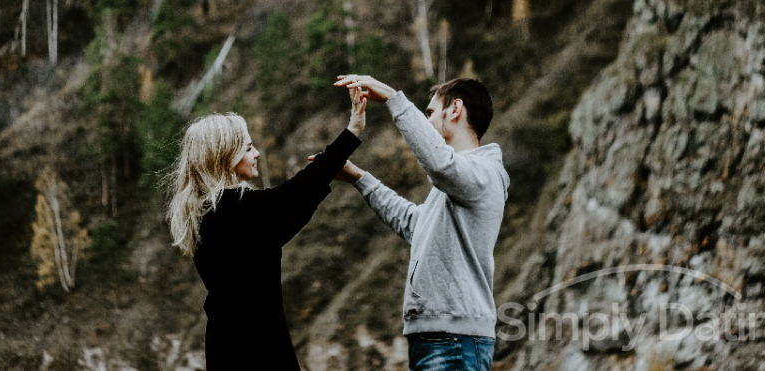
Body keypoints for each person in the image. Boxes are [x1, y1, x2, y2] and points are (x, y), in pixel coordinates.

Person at [166, 87, 366, 371]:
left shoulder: (214, 212)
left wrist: (324, 178)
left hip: (239, 345)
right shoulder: (229, 207)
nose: (256, 152)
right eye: (248, 148)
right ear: (225, 157)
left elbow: (277, 233)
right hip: (251, 349)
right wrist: (352, 132)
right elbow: (290, 195)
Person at [331, 74, 509, 371]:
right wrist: (359, 178)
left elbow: (439, 163)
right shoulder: (458, 183)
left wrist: (392, 97)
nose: (427, 122)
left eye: (430, 113)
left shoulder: (483, 173)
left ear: (455, 110)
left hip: (455, 339)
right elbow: (413, 223)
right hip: (436, 337)